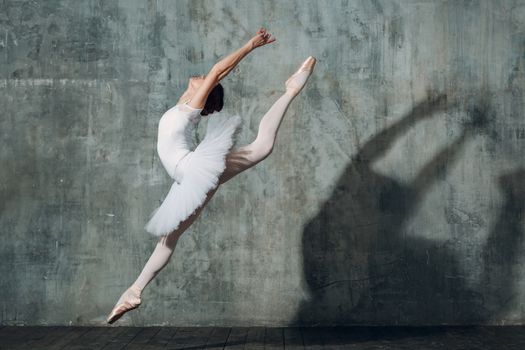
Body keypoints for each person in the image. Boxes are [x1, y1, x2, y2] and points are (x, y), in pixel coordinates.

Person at [107, 27, 316, 324]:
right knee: (168, 239)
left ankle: (292, 90)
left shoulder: (193, 107)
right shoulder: (183, 103)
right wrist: (227, 66)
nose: (199, 76)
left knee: (261, 147)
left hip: (192, 169)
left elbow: (219, 70)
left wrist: (250, 46)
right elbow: (217, 73)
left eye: (203, 80)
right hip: (185, 180)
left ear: (203, 94)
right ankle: (133, 292)